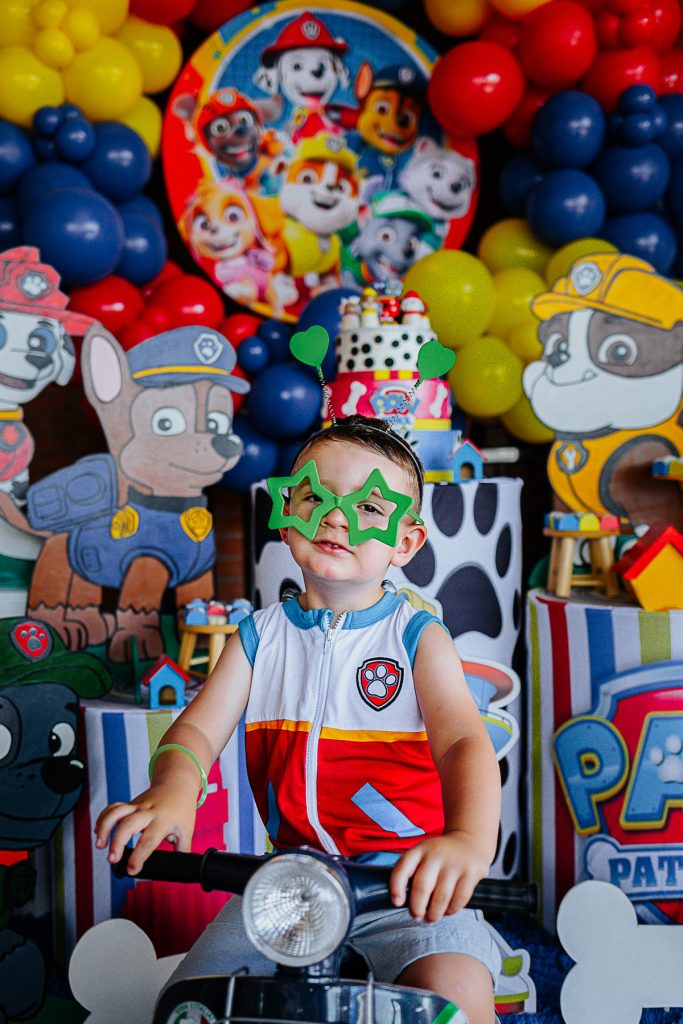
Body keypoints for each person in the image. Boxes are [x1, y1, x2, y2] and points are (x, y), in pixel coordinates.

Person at [95, 414, 502, 1024]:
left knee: (456, 995)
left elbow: (464, 743)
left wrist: (469, 839)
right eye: (317, 497)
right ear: (286, 512)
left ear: (406, 543)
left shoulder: (418, 638)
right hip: (289, 889)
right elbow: (197, 730)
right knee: (192, 1004)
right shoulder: (258, 639)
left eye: (369, 507)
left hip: (407, 888)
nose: (337, 519)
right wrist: (174, 789)